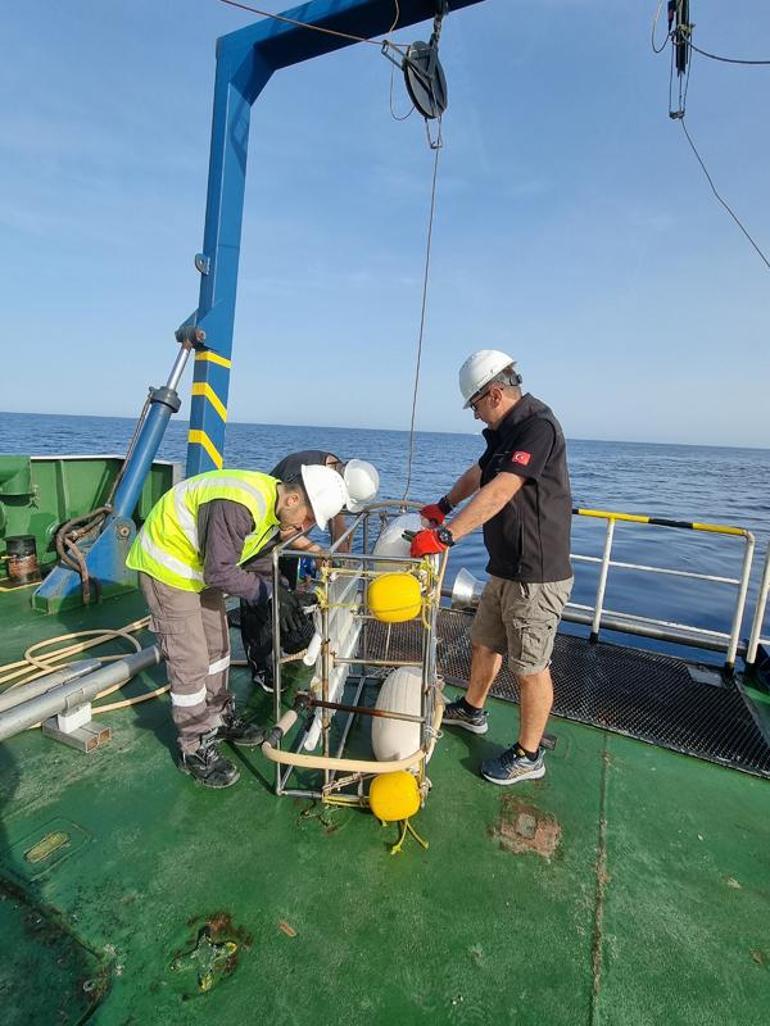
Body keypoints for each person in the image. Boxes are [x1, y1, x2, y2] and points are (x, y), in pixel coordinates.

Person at [126, 465, 348, 789]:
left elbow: (250, 556)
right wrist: (269, 594)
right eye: (309, 518)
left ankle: (218, 716)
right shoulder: (239, 504)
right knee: (191, 660)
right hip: (167, 567)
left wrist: (283, 591)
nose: (305, 527)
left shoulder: (270, 511)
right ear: (293, 499)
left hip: (197, 569)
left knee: (218, 649)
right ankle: (195, 745)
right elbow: (220, 571)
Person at [409, 349, 573, 786]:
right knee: (485, 644)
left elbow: (502, 489)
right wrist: (444, 505)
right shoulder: (505, 432)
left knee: (530, 668)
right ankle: (473, 710)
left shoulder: (537, 427)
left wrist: (445, 536)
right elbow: (479, 474)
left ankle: (528, 755)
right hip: (505, 568)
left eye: (477, 405)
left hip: (536, 575)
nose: (476, 415)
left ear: (495, 394)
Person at [239, 451, 379, 694]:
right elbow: (283, 528)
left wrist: (339, 564)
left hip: (292, 543)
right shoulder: (300, 473)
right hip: (262, 545)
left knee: (287, 597)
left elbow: (338, 525)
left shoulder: (334, 470)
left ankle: (282, 645)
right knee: (260, 605)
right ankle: (260, 667)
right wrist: (315, 550)